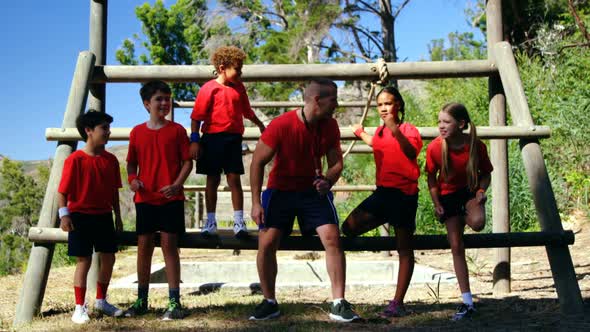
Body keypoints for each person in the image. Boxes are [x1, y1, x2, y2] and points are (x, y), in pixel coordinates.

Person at [248, 78, 360, 322]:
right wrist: (256, 202)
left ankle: (339, 303)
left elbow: (336, 164)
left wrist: (328, 181)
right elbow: (257, 162)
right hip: (280, 191)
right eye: (333, 100)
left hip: (313, 191)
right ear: (317, 100)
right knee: (266, 242)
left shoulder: (330, 126)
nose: (337, 105)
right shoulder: (280, 125)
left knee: (332, 238)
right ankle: (269, 302)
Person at [341, 86, 422, 319]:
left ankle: (398, 302)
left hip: (405, 196)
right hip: (384, 195)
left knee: (404, 250)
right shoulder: (378, 132)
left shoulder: (409, 130)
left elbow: (409, 152)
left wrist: (394, 128)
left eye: (388, 103)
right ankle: (385, 220)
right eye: (380, 105)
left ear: (399, 105)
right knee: (349, 228)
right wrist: (359, 132)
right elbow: (375, 143)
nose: (384, 108)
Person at [124, 80, 193, 320]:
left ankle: (175, 304)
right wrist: (133, 179)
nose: (164, 103)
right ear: (146, 104)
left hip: (171, 199)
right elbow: (131, 163)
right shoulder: (136, 132)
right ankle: (141, 301)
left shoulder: (177, 131)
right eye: (158, 99)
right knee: (143, 248)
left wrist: (177, 185)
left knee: (169, 247)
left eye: (167, 98)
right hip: (145, 200)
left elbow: (187, 161)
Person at [425, 102, 493, 321]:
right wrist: (436, 203)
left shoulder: (476, 146)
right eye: (439, 122)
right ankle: (467, 301)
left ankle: (471, 210)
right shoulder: (435, 147)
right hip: (448, 197)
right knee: (456, 245)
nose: (441, 126)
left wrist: (481, 190)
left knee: (478, 223)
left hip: (470, 192)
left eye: (446, 122)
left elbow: (486, 173)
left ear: (461, 124)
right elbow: (431, 179)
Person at [190, 46, 266, 238]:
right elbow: (196, 117)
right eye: (237, 69)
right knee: (212, 180)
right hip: (211, 139)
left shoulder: (239, 88)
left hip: (233, 139)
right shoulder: (209, 89)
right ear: (223, 68)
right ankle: (210, 222)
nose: (240, 73)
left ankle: (239, 223)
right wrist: (195, 140)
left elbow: (247, 111)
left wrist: (260, 125)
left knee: (234, 179)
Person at [57, 110, 123, 324]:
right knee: (83, 261)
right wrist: (63, 215)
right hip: (79, 217)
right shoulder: (74, 160)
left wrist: (118, 217)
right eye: (104, 128)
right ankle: (79, 308)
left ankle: (101, 301)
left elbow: (114, 191)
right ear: (88, 130)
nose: (108, 132)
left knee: (109, 258)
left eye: (108, 128)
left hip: (104, 216)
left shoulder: (111, 160)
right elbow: (62, 191)